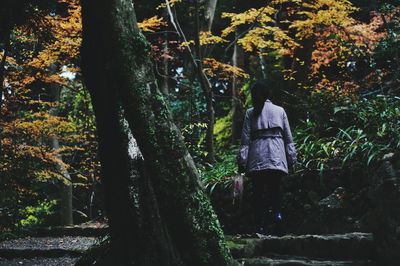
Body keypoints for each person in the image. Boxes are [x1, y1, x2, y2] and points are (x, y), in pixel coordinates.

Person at [237, 80, 297, 235]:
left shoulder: (251, 113)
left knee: (258, 195)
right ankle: (278, 219)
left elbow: (245, 141)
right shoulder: (280, 111)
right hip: (277, 157)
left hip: (257, 159)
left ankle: (260, 226)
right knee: (275, 192)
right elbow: (288, 138)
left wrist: (242, 161)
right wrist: (292, 159)